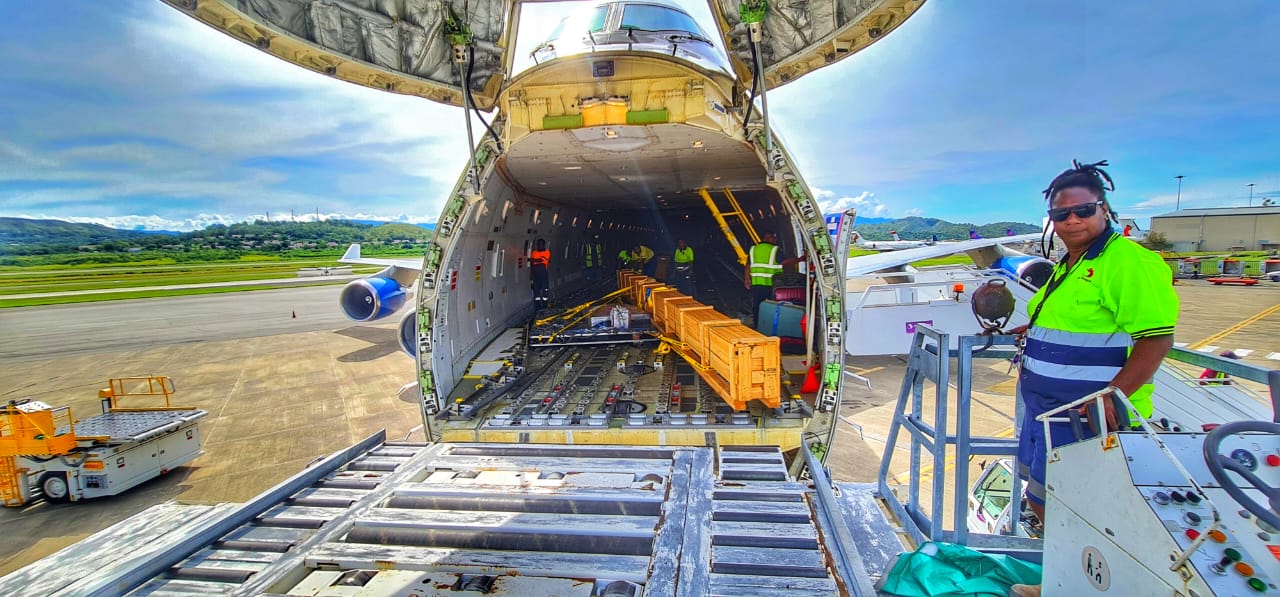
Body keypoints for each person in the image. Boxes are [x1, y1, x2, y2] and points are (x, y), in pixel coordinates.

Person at [1007, 160, 1177, 597]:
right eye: (1061, 215)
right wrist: (1035, 332)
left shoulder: (1127, 262)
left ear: (1104, 209)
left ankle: (1085, 586)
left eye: (1082, 210)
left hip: (1091, 417)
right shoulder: (1073, 262)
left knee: (1089, 509)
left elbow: (1156, 338)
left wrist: (1113, 395)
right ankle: (1062, 580)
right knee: (1044, 499)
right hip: (1050, 413)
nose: (1071, 221)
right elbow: (1078, 321)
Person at [744, 231, 803, 329]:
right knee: (773, 306)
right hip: (773, 284)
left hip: (756, 283)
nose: (775, 240)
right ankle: (771, 326)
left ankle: (757, 325)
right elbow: (784, 262)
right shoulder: (775, 249)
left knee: (757, 305)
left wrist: (747, 279)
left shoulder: (753, 249)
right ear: (768, 238)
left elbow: (748, 265)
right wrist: (800, 259)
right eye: (773, 237)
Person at [529, 239, 551, 310]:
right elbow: (532, 265)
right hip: (536, 275)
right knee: (536, 292)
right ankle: (537, 307)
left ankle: (545, 306)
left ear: (544, 245)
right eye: (538, 244)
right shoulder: (534, 253)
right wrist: (531, 277)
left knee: (545, 291)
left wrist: (531, 260)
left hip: (543, 275)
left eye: (541, 244)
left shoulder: (547, 252)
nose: (540, 246)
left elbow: (542, 260)